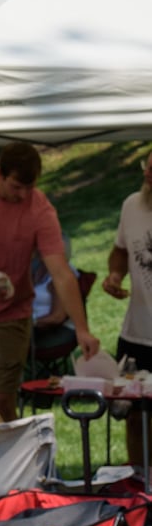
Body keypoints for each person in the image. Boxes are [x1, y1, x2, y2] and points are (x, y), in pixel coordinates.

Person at [0, 143, 100, 421]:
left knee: (3, 397)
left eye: (30, 187)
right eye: (16, 187)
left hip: (11, 315)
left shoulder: (40, 210)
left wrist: (82, 330)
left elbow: (61, 272)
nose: (23, 194)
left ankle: (13, 461)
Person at [104, 146, 152, 472]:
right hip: (136, 335)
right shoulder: (132, 205)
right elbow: (119, 251)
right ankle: (139, 486)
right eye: (146, 168)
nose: (146, 176)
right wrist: (115, 274)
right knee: (132, 415)